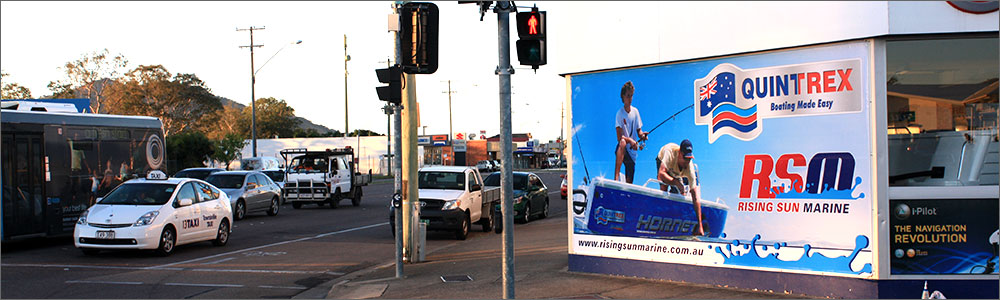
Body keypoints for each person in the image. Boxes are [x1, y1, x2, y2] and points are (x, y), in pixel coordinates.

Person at [656, 139, 705, 236]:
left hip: (676, 172)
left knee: (681, 193)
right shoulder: (669, 152)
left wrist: (700, 224)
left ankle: (673, 219)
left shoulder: (690, 168)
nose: (687, 161)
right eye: (685, 158)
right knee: (664, 186)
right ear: (679, 153)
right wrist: (675, 183)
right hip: (664, 162)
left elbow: (695, 197)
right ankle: (661, 216)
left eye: (689, 159)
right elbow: (661, 173)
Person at [614, 81, 647, 183]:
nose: (630, 98)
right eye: (628, 96)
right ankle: (615, 178)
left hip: (632, 153)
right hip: (622, 149)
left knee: (630, 180)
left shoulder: (635, 112)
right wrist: (630, 141)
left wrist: (643, 136)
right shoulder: (619, 114)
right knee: (622, 142)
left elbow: (639, 131)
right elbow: (619, 138)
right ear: (623, 97)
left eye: (631, 96)